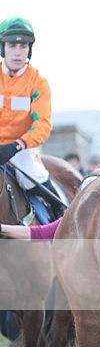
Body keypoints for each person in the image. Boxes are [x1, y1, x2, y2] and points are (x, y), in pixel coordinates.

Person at [0, 17, 65, 219]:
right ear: (3, 48)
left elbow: (42, 125)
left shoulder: (38, 82)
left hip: (20, 150)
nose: (18, 51)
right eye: (12, 45)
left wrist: (17, 145)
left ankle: (60, 215)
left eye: (23, 45)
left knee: (32, 177)